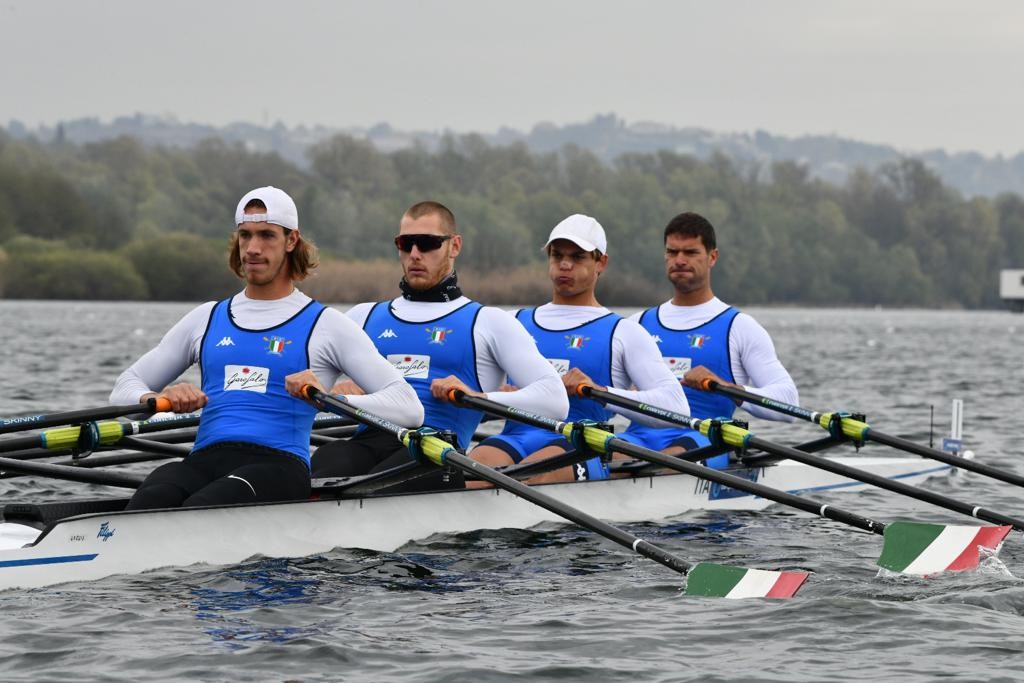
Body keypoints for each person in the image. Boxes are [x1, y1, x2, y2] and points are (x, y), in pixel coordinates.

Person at [110, 186, 422, 509]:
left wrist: (329, 400)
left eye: (266, 235)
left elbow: (409, 408)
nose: (253, 248)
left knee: (200, 508)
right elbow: (123, 388)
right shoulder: (205, 318)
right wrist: (156, 399)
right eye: (245, 235)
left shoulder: (326, 325)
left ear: (291, 240)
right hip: (203, 460)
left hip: (279, 467)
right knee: (149, 499)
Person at [311, 200, 568, 490]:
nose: (415, 254)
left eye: (428, 244)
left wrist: (478, 396)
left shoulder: (489, 322)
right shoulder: (362, 317)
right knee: (328, 457)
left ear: (454, 246)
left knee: (382, 480)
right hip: (368, 440)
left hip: (436, 450)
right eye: (406, 244)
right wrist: (332, 392)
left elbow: (555, 400)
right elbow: (302, 388)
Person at [469, 214, 692, 483]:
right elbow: (479, 400)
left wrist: (600, 392)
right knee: (468, 475)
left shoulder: (624, 333)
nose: (564, 264)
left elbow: (677, 408)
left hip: (582, 443)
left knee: (529, 476)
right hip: (516, 438)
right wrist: (496, 398)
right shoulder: (512, 322)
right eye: (557, 255)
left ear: (601, 262)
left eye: (577, 257)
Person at [619, 212, 798, 461]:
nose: (679, 260)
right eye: (672, 252)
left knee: (668, 461)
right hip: (638, 438)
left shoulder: (740, 327)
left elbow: (789, 403)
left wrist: (725, 387)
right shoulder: (635, 325)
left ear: (713, 257)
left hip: (704, 438)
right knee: (597, 457)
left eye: (690, 253)